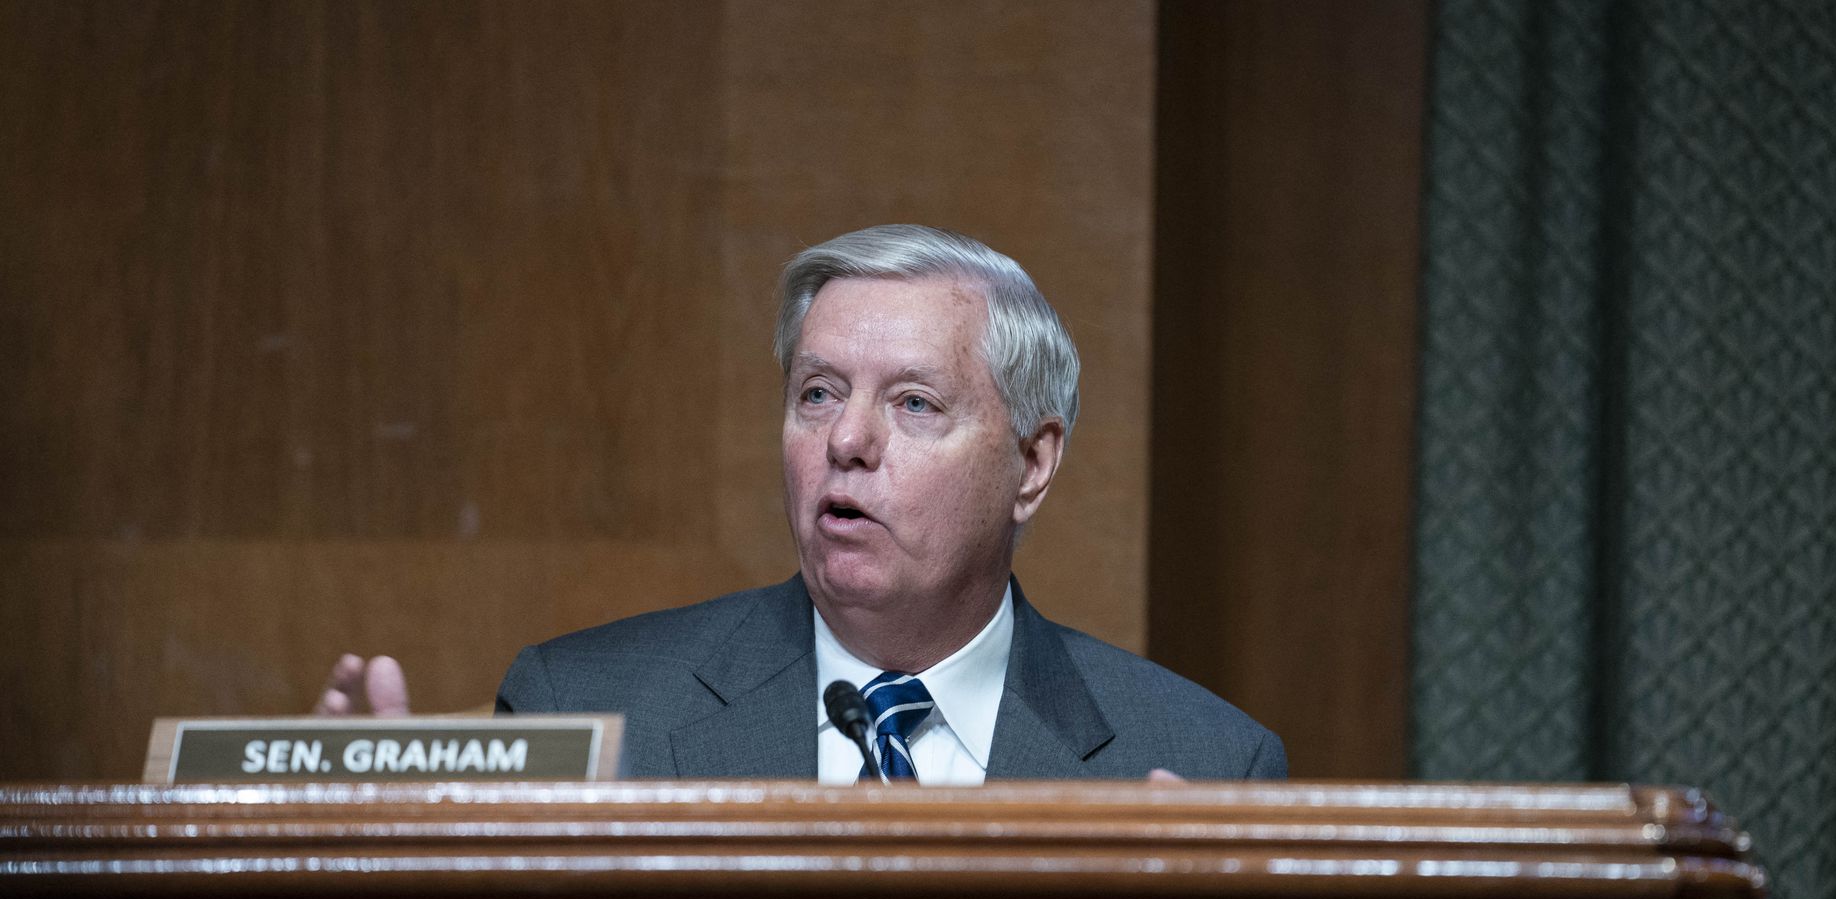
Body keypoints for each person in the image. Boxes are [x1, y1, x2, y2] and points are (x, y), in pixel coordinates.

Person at [318, 225, 1286, 783]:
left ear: (1033, 464)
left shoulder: (1201, 763)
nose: (847, 441)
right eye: (817, 394)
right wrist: (379, 864)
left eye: (913, 403)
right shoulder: (588, 712)